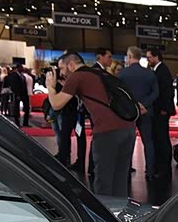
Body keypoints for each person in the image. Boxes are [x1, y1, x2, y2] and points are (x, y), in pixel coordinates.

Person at [45, 52, 137, 198]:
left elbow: (56, 104)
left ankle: (104, 212)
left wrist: (50, 87)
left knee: (103, 180)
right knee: (120, 178)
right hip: (128, 128)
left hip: (107, 132)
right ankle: (119, 209)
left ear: (71, 65)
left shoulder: (76, 76)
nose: (61, 73)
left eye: (62, 68)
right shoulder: (97, 73)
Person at [119, 46, 159, 180]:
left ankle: (126, 170)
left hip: (129, 113)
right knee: (148, 142)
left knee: (128, 143)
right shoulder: (150, 73)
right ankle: (150, 172)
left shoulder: (123, 73)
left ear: (130, 56)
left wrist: (133, 105)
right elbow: (156, 93)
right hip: (145, 111)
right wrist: (143, 104)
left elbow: (120, 94)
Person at [147, 48, 175, 177]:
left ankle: (164, 168)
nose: (148, 60)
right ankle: (162, 167)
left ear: (156, 57)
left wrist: (164, 109)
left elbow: (167, 91)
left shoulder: (162, 71)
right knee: (160, 138)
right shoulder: (160, 70)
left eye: (149, 57)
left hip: (161, 111)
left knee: (161, 139)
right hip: (160, 110)